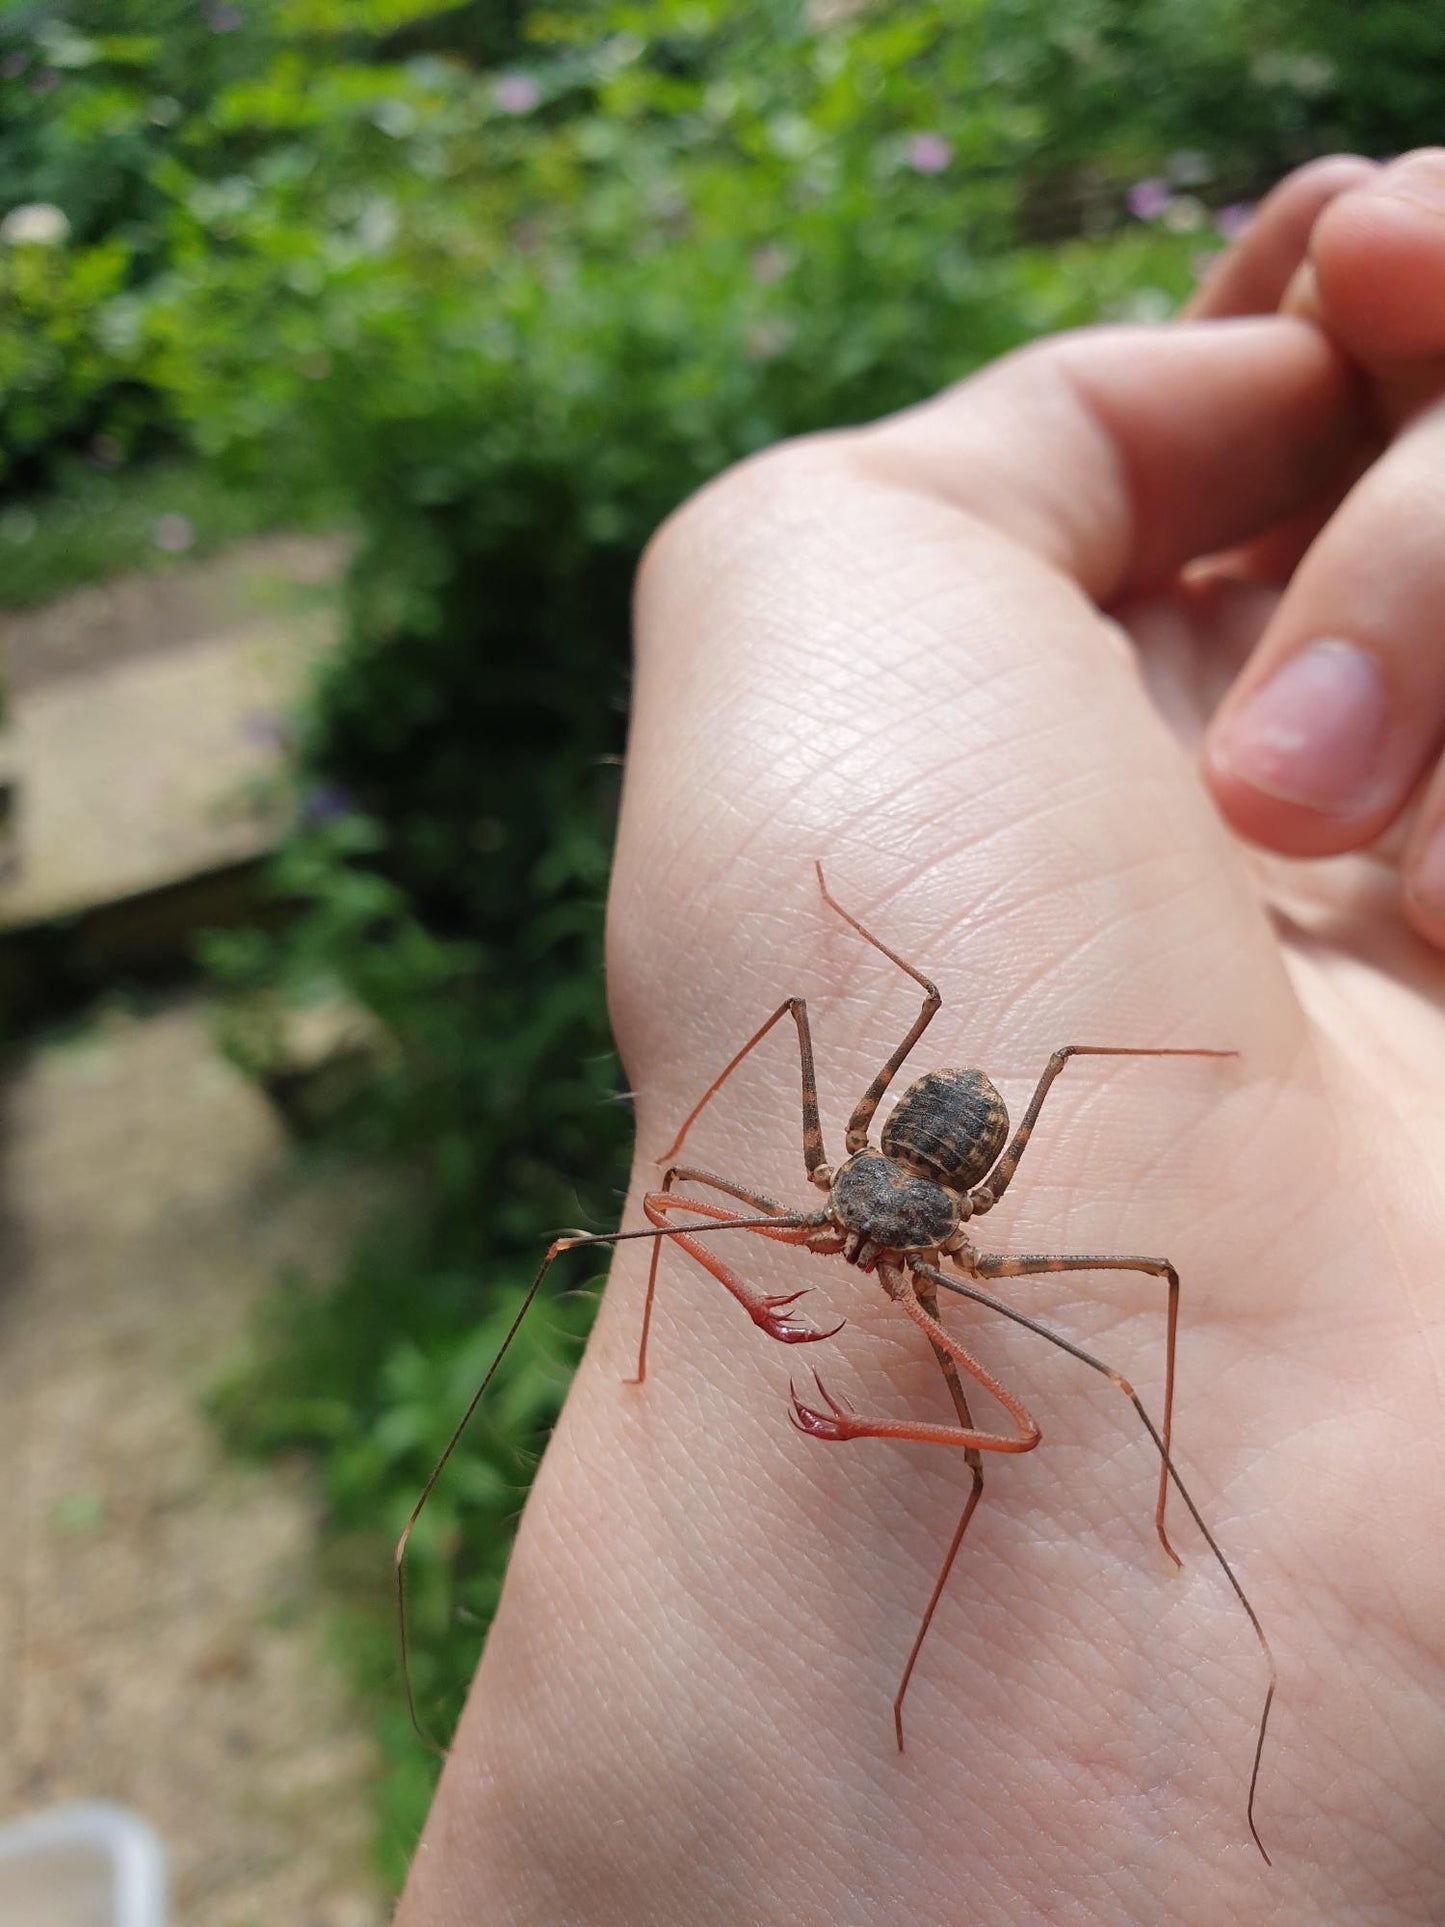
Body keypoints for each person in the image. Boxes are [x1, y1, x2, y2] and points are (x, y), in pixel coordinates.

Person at [397, 153, 1445, 1922]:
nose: (869, 1265)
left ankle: (1137, 1591)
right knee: (621, 1228)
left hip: (954, 1140)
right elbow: (788, 1014)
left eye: (883, 1250)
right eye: (865, 1240)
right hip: (910, 1135)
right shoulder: (835, 1197)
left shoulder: (950, 1243)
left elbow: (1130, 1309)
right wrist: (681, 1224)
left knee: (1116, 1336)